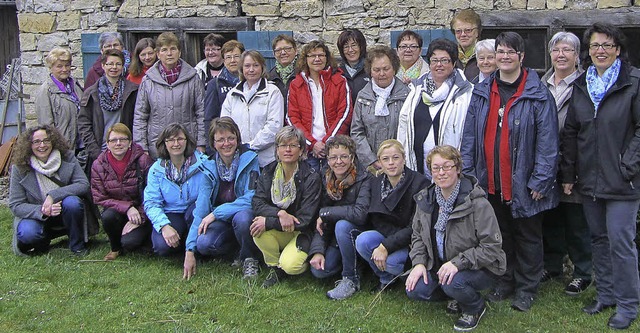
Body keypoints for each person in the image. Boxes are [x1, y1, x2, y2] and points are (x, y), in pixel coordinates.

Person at [461, 31, 559, 312]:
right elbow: (469, 137)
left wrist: (541, 179)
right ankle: (505, 280)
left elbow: (548, 142)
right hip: (489, 179)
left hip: (523, 181)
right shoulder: (482, 91)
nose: (504, 57)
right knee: (499, 234)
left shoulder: (538, 94)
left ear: (521, 57)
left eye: (510, 52)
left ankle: (527, 288)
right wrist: (470, 175)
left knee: (527, 236)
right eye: (500, 51)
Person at [561, 22, 640, 330]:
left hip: (623, 180)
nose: (600, 51)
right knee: (599, 239)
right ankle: (605, 295)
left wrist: (627, 164)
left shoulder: (632, 82)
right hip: (590, 179)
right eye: (595, 46)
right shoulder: (582, 85)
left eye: (607, 45)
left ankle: (628, 304)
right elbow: (571, 133)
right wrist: (569, 173)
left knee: (621, 241)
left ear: (617, 49)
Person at [405, 145, 506, 332]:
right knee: (415, 289)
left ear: (458, 169)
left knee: (453, 282)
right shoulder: (426, 200)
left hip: (479, 268)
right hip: (440, 265)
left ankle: (474, 307)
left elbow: (491, 247)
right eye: (436, 168)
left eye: (447, 166)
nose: (441, 173)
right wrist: (419, 263)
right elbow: (418, 236)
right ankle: (455, 295)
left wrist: (458, 263)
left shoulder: (478, 203)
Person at [540, 32, 592, 295]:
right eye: (556, 50)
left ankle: (583, 271)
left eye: (567, 50)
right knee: (550, 216)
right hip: (547, 162)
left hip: (576, 161)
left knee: (576, 220)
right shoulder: (541, 83)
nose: (561, 55)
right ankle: (552, 265)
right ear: (550, 54)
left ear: (576, 55)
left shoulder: (586, 84)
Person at [184, 117, 261, 280]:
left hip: (242, 216)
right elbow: (201, 210)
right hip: (221, 221)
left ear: (237, 139)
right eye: (221, 140)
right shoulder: (208, 166)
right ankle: (236, 251)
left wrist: (216, 213)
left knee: (243, 218)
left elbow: (252, 197)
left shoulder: (250, 159)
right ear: (213, 143)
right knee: (203, 244)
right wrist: (189, 250)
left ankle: (250, 259)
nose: (226, 144)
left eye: (231, 138)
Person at [250, 126, 322, 288]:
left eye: (293, 145)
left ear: (302, 150)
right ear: (277, 149)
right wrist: (280, 213)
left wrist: (269, 222)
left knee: (291, 266)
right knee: (257, 230)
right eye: (283, 145)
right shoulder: (268, 172)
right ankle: (275, 267)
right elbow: (257, 203)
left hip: (301, 231)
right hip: (281, 228)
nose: (287, 150)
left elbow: (305, 220)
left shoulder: (311, 177)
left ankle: (295, 264)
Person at [355, 139, 429, 292]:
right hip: (386, 234)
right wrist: (384, 245)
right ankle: (386, 279)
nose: (391, 163)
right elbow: (375, 218)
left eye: (395, 158)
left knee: (392, 263)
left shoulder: (420, 183)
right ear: (379, 162)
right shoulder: (376, 182)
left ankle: (403, 276)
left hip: (410, 241)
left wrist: (386, 246)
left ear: (404, 159)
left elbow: (416, 227)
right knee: (363, 241)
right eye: (385, 159)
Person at [9, 125, 93, 256]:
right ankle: (42, 243)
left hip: (65, 211)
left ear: (53, 141)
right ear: (29, 145)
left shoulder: (67, 157)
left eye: (46, 140)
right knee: (28, 232)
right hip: (36, 215)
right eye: (36, 142)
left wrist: (53, 195)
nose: (42, 145)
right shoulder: (19, 168)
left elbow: (83, 184)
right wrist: (43, 210)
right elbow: (16, 205)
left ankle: (77, 246)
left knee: (73, 203)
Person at [397, 38, 473, 177]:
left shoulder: (465, 93)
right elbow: (404, 124)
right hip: (418, 167)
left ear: (454, 63)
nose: (439, 65)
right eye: (434, 60)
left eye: (444, 60)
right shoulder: (417, 89)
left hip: (449, 169)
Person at [309, 135, 371, 300]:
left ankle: (350, 278)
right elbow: (319, 221)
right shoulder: (325, 178)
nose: (339, 162)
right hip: (334, 237)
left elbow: (360, 213)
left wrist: (326, 213)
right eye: (333, 157)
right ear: (327, 160)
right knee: (319, 271)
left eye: (344, 156)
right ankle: (350, 262)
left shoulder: (364, 178)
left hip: (359, 232)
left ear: (352, 157)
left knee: (342, 225)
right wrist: (317, 251)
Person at [133, 32, 206, 159]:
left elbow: (202, 112)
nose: (169, 53)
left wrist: (201, 143)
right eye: (164, 50)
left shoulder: (193, 78)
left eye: (173, 49)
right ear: (158, 54)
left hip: (188, 144)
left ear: (179, 52)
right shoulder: (148, 81)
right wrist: (141, 148)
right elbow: (140, 116)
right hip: (157, 145)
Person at [90, 123, 154, 260]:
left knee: (130, 243)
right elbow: (99, 197)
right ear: (107, 144)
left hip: (143, 210)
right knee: (108, 217)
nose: (118, 143)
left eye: (123, 139)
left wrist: (140, 216)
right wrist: (127, 208)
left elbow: (153, 194)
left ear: (130, 142)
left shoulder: (143, 161)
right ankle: (115, 248)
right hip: (117, 212)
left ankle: (139, 240)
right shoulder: (98, 165)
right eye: (113, 140)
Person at [287, 40, 352, 171]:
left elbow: (345, 113)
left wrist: (328, 142)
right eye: (312, 56)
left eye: (321, 55)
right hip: (308, 151)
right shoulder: (296, 84)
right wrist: (312, 143)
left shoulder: (339, 81)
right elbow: (292, 117)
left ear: (327, 58)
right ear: (305, 59)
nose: (317, 59)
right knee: (310, 189)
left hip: (335, 150)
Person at [144, 124, 206, 256]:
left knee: (193, 213)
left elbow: (206, 198)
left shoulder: (203, 164)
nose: (176, 144)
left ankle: (194, 247)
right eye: (171, 140)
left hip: (195, 210)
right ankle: (181, 243)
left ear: (187, 141)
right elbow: (151, 203)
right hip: (171, 211)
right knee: (161, 247)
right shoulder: (156, 170)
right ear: (164, 143)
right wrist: (164, 226)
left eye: (180, 139)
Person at [351, 45, 409, 173]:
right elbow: (357, 132)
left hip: (401, 166)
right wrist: (372, 160)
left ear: (394, 69)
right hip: (370, 168)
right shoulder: (362, 96)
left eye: (386, 69)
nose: (381, 74)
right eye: (376, 70)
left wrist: (395, 160)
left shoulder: (407, 95)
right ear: (370, 71)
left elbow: (411, 132)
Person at [221, 50, 284, 168]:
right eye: (247, 66)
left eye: (255, 65)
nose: (251, 70)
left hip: (266, 160)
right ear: (241, 69)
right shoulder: (232, 94)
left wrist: (251, 146)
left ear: (262, 68)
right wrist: (237, 146)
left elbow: (274, 126)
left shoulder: (272, 92)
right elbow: (225, 124)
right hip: (239, 158)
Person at [79, 49, 139, 163]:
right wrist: (95, 153)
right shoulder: (91, 93)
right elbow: (84, 124)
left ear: (123, 66)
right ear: (103, 66)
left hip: (126, 151)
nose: (114, 67)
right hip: (100, 153)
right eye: (110, 64)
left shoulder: (133, 91)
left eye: (118, 64)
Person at [35, 47, 84, 150]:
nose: (64, 69)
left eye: (67, 65)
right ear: (51, 67)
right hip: (62, 147)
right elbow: (46, 126)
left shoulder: (75, 85)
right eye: (59, 66)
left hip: (81, 145)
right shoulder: (46, 91)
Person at [203, 40, 245, 148]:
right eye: (228, 57)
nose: (232, 61)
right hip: (225, 142)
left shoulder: (250, 83)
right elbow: (210, 118)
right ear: (224, 60)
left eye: (236, 56)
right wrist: (211, 147)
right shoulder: (215, 84)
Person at [337, 29, 369, 103]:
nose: (350, 50)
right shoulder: (338, 73)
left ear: (361, 47)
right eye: (346, 47)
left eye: (354, 45)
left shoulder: (371, 70)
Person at [268, 34, 297, 114]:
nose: (283, 53)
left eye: (287, 49)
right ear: (274, 54)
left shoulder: (304, 73)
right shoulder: (269, 77)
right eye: (278, 50)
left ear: (296, 50)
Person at [451, 9, 481, 81]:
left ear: (477, 32)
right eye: (458, 31)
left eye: (468, 30)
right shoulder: (451, 55)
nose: (463, 35)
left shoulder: (484, 54)